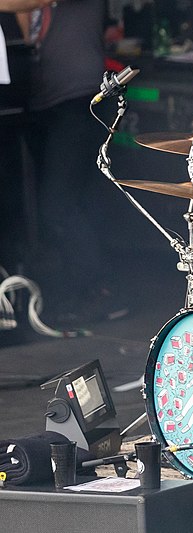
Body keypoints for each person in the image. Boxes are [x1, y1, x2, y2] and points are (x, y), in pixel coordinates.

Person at [0, 0, 126, 325]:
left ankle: (102, 290)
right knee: (65, 203)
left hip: (79, 98)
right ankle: (76, 291)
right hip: (42, 100)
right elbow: (27, 28)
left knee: (59, 204)